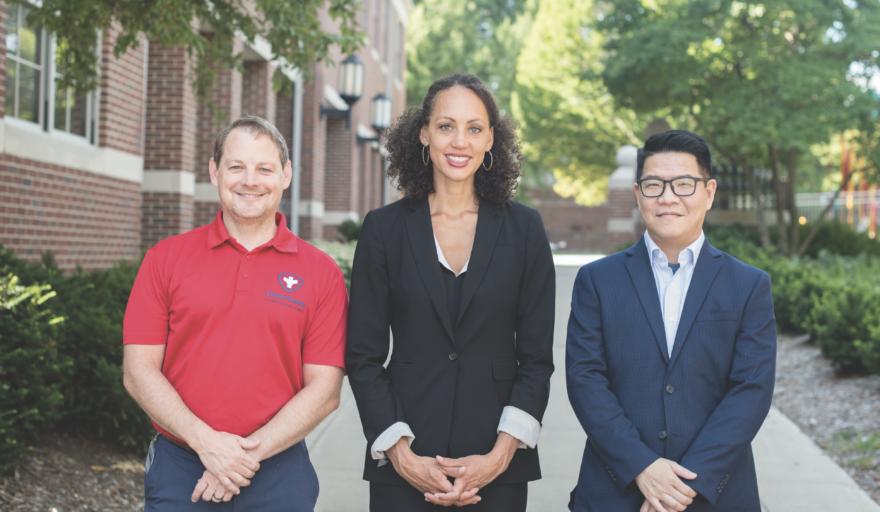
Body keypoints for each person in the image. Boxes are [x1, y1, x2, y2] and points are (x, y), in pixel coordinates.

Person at [345, 73, 555, 512]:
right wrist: (401, 454)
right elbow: (362, 357)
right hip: (405, 462)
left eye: (474, 128)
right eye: (446, 126)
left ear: (491, 139)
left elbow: (536, 361)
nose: (459, 141)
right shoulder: (384, 230)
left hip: (497, 467)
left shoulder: (525, 230)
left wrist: (499, 457)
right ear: (424, 133)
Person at [122, 116, 347, 511]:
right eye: (236, 167)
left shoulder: (321, 272)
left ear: (286, 174)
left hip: (280, 470)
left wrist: (240, 457)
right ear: (214, 171)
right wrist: (208, 444)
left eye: (264, 168)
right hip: (181, 466)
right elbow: (138, 372)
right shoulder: (165, 260)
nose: (250, 180)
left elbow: (325, 391)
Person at [566, 130, 776, 512]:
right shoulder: (597, 281)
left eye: (684, 184)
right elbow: (585, 380)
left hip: (715, 493)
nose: (668, 197)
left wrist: (682, 485)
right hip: (615, 491)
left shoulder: (748, 286)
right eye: (654, 185)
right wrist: (642, 467)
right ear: (637, 193)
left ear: (708, 192)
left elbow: (751, 391)